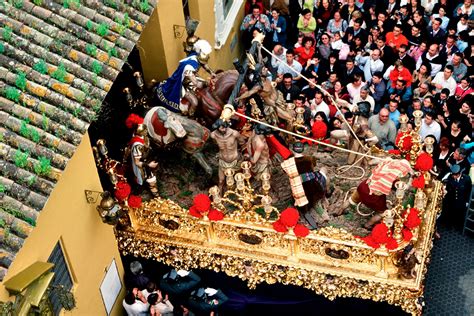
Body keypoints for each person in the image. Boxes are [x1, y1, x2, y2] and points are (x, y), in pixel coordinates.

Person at [155, 39, 213, 114]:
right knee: (195, 103)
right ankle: (189, 117)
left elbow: (204, 64)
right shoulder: (189, 67)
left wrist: (212, 73)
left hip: (189, 79)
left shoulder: (195, 55)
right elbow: (196, 83)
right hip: (181, 83)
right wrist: (207, 83)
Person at [211, 119, 245, 189]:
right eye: (222, 128)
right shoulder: (213, 135)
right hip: (223, 161)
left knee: (238, 180)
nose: (224, 129)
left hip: (235, 160)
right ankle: (219, 197)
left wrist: (243, 154)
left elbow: (243, 143)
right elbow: (215, 144)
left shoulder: (234, 133)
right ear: (217, 127)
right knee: (221, 181)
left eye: (225, 127)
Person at [441, 164, 472, 230]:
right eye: (453, 175)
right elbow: (447, 186)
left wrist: (467, 201)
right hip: (451, 199)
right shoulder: (450, 177)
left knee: (459, 214)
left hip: (461, 200)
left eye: (455, 175)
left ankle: (458, 226)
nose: (453, 176)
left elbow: (469, 191)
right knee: (450, 212)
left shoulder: (466, 179)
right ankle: (449, 225)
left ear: (459, 174)